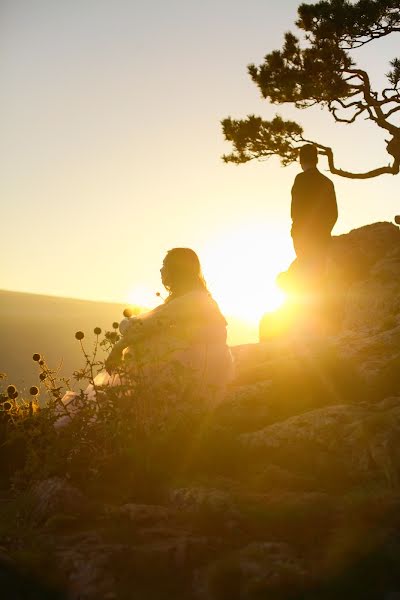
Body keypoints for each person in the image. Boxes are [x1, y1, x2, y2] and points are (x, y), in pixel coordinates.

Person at [105, 248, 233, 403]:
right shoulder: (196, 297)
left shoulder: (190, 300)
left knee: (146, 340)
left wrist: (118, 346)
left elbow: (138, 326)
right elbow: (149, 322)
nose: (161, 270)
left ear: (177, 270)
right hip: (214, 367)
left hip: (198, 371)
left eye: (165, 265)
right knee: (156, 335)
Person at [290, 144, 338, 284]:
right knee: (319, 276)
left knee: (305, 279)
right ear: (316, 160)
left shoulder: (300, 179)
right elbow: (334, 213)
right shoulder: (327, 182)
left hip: (303, 237)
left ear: (300, 160)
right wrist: (324, 231)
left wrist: (295, 232)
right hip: (322, 238)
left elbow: (295, 210)